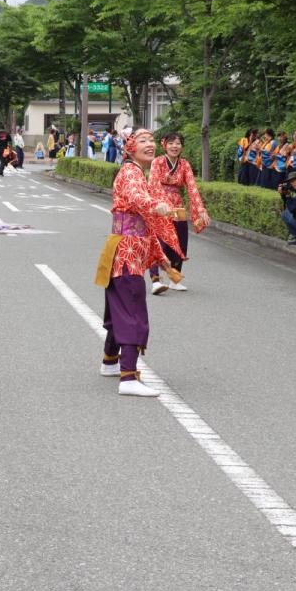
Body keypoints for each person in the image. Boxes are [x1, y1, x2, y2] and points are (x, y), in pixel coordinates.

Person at [97, 129, 179, 398]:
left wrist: (164, 262)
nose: (150, 145)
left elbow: (146, 227)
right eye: (143, 141)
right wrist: (156, 204)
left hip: (123, 252)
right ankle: (128, 376)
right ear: (130, 148)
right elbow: (136, 198)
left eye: (152, 141)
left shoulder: (136, 172)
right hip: (127, 254)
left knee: (117, 309)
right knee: (132, 312)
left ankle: (110, 361)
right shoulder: (131, 174)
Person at [148, 133, 210, 295]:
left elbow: (192, 187)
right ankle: (155, 280)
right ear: (165, 145)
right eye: (171, 143)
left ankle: (175, 280)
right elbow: (153, 184)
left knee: (179, 243)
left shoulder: (184, 165)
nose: (174, 146)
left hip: (178, 208)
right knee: (158, 243)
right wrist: (162, 204)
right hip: (160, 207)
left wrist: (201, 209)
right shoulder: (158, 162)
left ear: (182, 147)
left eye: (178, 143)